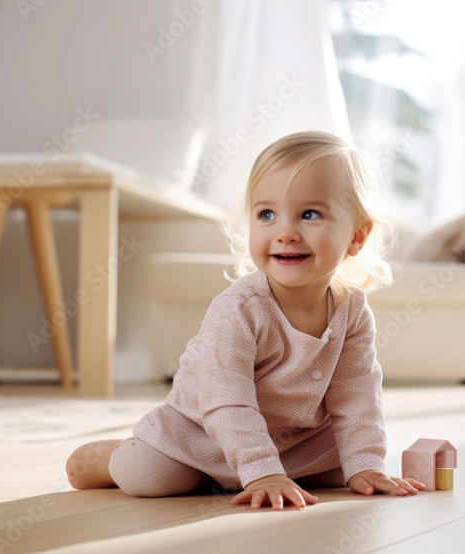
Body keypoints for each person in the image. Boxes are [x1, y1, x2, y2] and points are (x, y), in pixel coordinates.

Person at [65, 130, 424, 510]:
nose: (285, 233)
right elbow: (225, 400)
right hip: (203, 431)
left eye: (309, 214)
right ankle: (117, 454)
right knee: (150, 477)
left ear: (356, 236)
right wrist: (261, 470)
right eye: (266, 214)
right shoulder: (239, 308)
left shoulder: (351, 309)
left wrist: (366, 463)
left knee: (347, 470)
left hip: (293, 440)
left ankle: (259, 472)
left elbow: (357, 394)